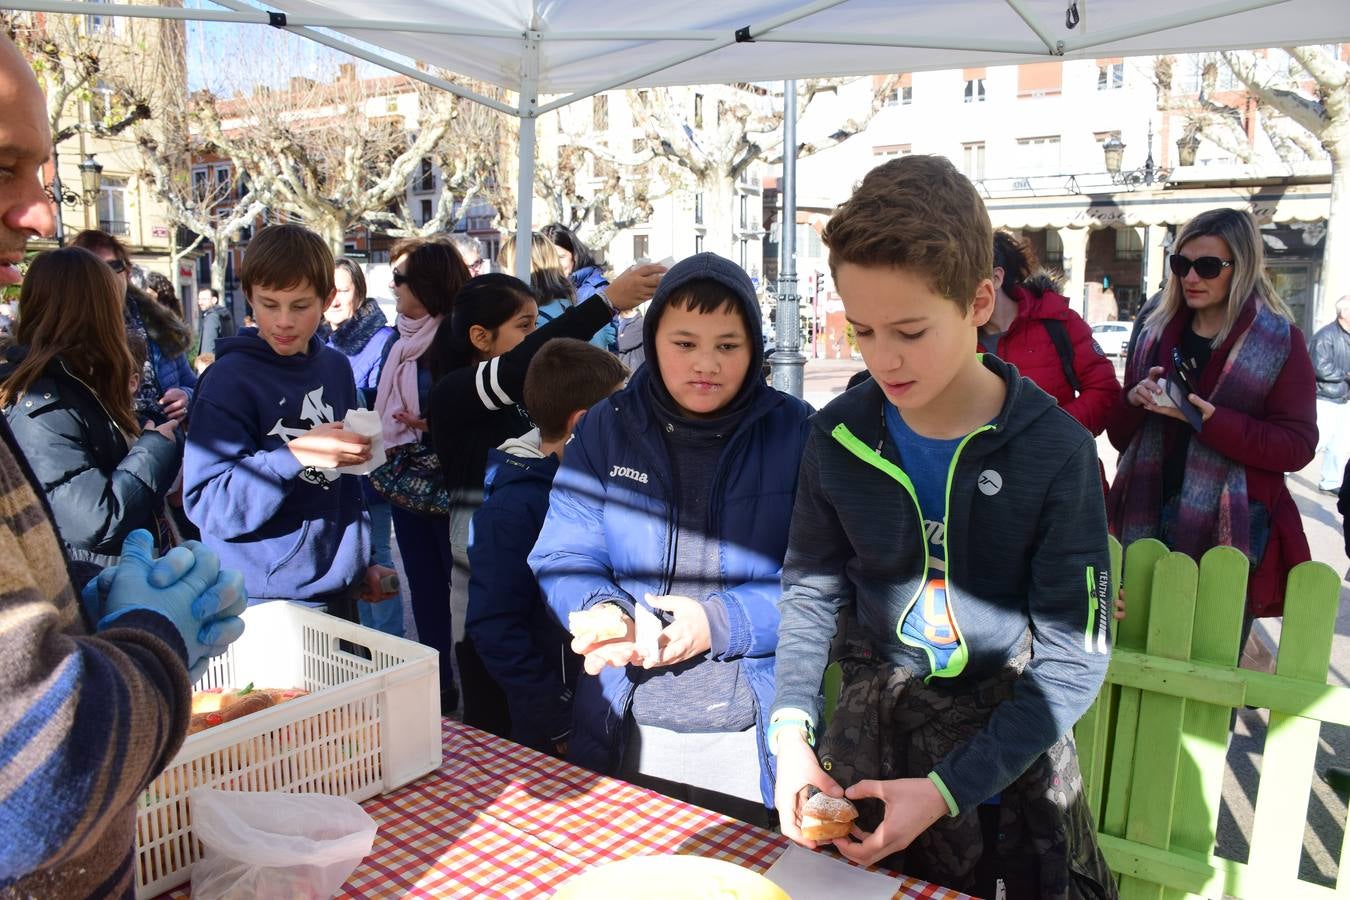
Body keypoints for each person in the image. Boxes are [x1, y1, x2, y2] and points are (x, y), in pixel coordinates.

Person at [770, 155, 1115, 897]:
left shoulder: (1057, 452)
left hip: (1005, 778)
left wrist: (945, 790)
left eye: (910, 330)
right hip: (867, 749)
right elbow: (808, 595)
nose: (883, 358)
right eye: (861, 330)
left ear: (980, 299)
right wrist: (791, 735)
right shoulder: (836, 437)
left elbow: (1073, 660)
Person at [0, 31, 247, 894]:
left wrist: (82, 616)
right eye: (3, 168)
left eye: (40, 175)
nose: (37, 215)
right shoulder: (38, 398)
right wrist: (151, 638)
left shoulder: (63, 392)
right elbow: (37, 781)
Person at [528, 253, 812, 826]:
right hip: (625, 718)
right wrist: (598, 611)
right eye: (684, 343)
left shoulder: (800, 431)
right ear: (652, 339)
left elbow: (825, 583)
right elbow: (565, 552)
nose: (705, 364)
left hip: (752, 726)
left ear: (755, 348)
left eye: (727, 346)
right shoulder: (608, 426)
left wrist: (718, 622)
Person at [423, 261, 662, 734]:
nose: (537, 338)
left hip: (513, 562)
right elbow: (497, 631)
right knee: (492, 666)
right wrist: (606, 303)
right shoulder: (456, 392)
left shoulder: (545, 439)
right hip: (483, 552)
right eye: (526, 326)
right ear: (479, 337)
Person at [1107, 207, 1316, 629]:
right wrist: (1132, 398)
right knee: (1132, 645)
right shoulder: (1153, 326)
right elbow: (1118, 436)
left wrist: (1208, 421)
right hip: (1144, 506)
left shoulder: (1279, 340)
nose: (1191, 278)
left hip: (1231, 521)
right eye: (1181, 264)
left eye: (1207, 266)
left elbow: (1297, 446)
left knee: (1209, 650)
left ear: (1241, 267)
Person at [183, 224, 395, 622]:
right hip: (263, 603)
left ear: (327, 299)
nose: (283, 321)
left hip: (336, 594)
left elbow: (347, 484)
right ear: (249, 297)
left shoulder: (335, 367)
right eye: (269, 304)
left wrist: (358, 561)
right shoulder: (227, 380)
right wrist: (293, 455)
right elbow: (209, 504)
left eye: (299, 306)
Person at [465, 338, 628, 756]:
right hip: (556, 721)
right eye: (622, 412)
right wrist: (555, 716)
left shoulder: (594, 481)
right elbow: (495, 627)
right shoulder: (513, 509)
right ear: (585, 422)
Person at [0, 247, 180, 567]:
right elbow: (96, 521)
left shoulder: (76, 382)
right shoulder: (40, 403)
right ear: (97, 312)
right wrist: (155, 450)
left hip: (116, 579)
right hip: (93, 589)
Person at [373, 238, 469, 711]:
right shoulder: (401, 338)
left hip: (453, 488)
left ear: (426, 286)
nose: (393, 288)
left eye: (400, 280)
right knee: (426, 590)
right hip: (405, 484)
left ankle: (473, 684)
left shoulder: (459, 337)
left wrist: (440, 424)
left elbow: (480, 407)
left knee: (464, 593)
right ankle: (440, 687)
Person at [325, 257, 403, 637]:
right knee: (346, 560)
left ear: (358, 289)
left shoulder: (383, 339)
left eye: (344, 289)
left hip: (371, 466)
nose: (336, 298)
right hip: (331, 470)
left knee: (377, 557)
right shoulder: (321, 341)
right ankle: (362, 647)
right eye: (331, 289)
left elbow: (384, 402)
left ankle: (390, 647)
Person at [983, 231, 1121, 437]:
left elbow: (1105, 392)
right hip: (986, 469)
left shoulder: (1058, 320)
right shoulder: (956, 338)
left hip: (1059, 464)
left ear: (996, 278)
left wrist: (1050, 434)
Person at [71, 229, 196, 425]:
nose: (103, 278)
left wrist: (186, 398)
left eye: (111, 267)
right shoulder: (67, 335)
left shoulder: (161, 327)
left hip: (167, 443)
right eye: (92, 271)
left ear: (127, 273)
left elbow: (192, 385)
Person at [501, 232, 614, 349]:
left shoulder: (530, 323)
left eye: (506, 267)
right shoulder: (577, 308)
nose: (504, 274)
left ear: (516, 268)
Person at [1309, 295, 1350, 493]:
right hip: (1326, 397)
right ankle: (1284, 468)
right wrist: (1346, 375)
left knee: (1340, 444)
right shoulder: (1325, 336)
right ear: (1344, 313)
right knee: (1316, 439)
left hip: (1344, 397)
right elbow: (1319, 367)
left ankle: (1331, 481)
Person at [542, 222, 609, 301]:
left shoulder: (594, 291)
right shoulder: (543, 290)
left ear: (575, 255)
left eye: (560, 257)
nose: (555, 265)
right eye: (547, 259)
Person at [196, 286, 236, 358]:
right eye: (199, 299)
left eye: (204, 299)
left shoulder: (211, 317)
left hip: (213, 364)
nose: (200, 302)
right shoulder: (224, 313)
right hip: (227, 360)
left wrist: (204, 365)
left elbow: (207, 348)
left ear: (214, 300)